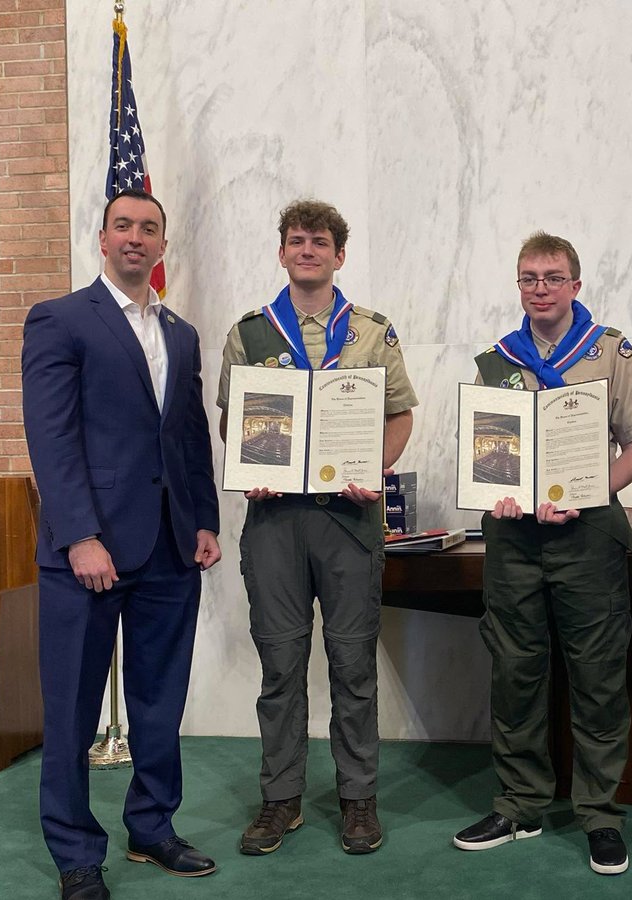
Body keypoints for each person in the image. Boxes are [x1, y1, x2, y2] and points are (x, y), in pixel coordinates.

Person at [22, 187, 222, 900]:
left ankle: (152, 827)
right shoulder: (60, 319)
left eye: (149, 228)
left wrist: (204, 520)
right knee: (72, 710)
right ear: (102, 238)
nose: (136, 237)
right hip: (88, 550)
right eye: (124, 226)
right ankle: (76, 854)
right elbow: (51, 438)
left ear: (163, 245)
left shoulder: (181, 334)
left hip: (170, 547)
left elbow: (189, 435)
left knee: (159, 701)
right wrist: (80, 535)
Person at [452, 232, 632, 876]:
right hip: (514, 539)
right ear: (518, 286)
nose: (539, 289)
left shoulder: (609, 351)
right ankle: (520, 805)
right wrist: (495, 490)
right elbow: (487, 453)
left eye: (552, 277)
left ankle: (600, 814)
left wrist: (588, 492)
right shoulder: (496, 362)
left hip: (588, 535)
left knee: (597, 676)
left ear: (575, 285)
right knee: (515, 672)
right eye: (529, 278)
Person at [217, 199, 417, 857]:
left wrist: (374, 468)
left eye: (320, 241)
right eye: (297, 240)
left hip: (348, 518)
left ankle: (359, 799)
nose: (308, 250)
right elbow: (233, 421)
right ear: (282, 253)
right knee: (280, 665)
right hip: (275, 519)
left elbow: (399, 415)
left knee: (353, 664)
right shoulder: (250, 333)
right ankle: (281, 799)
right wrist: (252, 466)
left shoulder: (372, 332)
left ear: (339, 255)